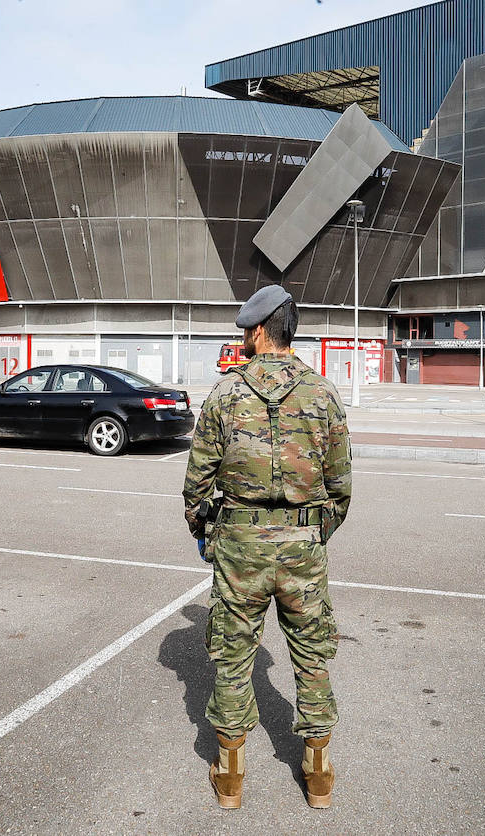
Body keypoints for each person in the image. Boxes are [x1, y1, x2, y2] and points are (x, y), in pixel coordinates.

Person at [182, 284, 351, 810]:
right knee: (312, 657)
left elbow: (196, 485)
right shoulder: (322, 394)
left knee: (233, 660)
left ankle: (230, 780)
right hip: (303, 547)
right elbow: (340, 489)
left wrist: (207, 533)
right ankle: (318, 776)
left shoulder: (226, 395)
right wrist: (311, 532)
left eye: (245, 332)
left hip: (239, 547)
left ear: (258, 331)